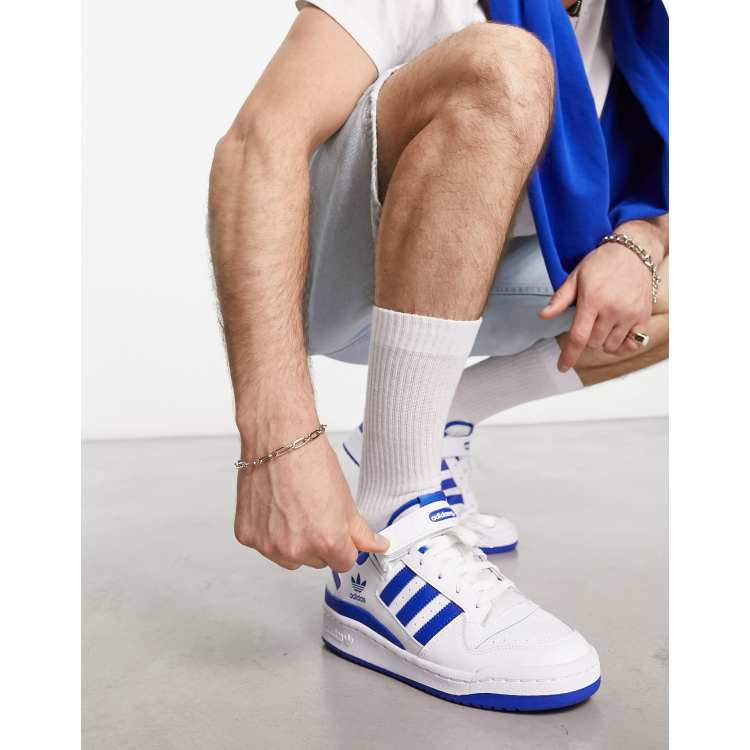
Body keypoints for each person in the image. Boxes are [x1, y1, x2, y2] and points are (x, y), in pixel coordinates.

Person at [208, 0, 668, 711]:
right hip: (316, 277)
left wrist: (642, 241)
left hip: (462, 288)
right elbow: (258, 142)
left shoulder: (641, 22)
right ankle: (393, 531)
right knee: (505, 65)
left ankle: (426, 426)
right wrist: (277, 438)